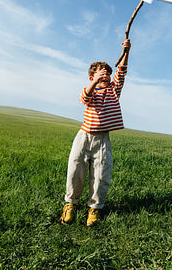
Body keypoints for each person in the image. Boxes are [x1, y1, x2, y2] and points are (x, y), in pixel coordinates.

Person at [60, 39, 131, 226]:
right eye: (101, 73)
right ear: (92, 77)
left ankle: (94, 209)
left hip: (102, 139)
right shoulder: (89, 90)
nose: (106, 76)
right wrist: (95, 81)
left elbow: (121, 72)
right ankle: (71, 205)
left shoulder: (113, 91)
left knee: (100, 175)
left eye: (108, 73)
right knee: (76, 169)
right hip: (84, 136)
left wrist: (126, 52)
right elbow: (85, 97)